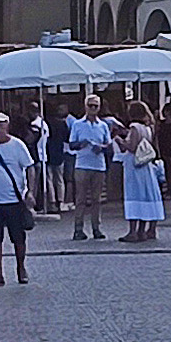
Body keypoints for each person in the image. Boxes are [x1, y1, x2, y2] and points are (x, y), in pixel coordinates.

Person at [0, 112, 36, 287]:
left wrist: (30, 191)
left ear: (7, 125)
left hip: (13, 199)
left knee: (18, 237)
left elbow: (30, 167)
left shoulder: (17, 145)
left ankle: (21, 267)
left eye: (2, 124)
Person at [66, 93, 113, 240]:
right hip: (82, 165)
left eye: (95, 106)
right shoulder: (77, 124)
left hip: (98, 166)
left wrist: (101, 147)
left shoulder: (103, 125)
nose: (93, 108)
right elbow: (71, 144)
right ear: (85, 106)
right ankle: (78, 228)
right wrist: (82, 144)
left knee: (96, 199)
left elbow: (109, 145)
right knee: (80, 199)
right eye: (90, 105)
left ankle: (96, 228)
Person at [118, 102, 164, 243]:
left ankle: (133, 231)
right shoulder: (148, 128)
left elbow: (132, 147)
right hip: (145, 165)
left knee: (133, 196)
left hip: (134, 165)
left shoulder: (134, 127)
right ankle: (142, 230)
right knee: (144, 196)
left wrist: (119, 139)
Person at [44, 102, 73, 214]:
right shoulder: (62, 124)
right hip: (59, 152)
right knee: (60, 179)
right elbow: (67, 138)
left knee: (49, 179)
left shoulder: (46, 123)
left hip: (48, 152)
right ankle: (61, 201)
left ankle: (52, 201)